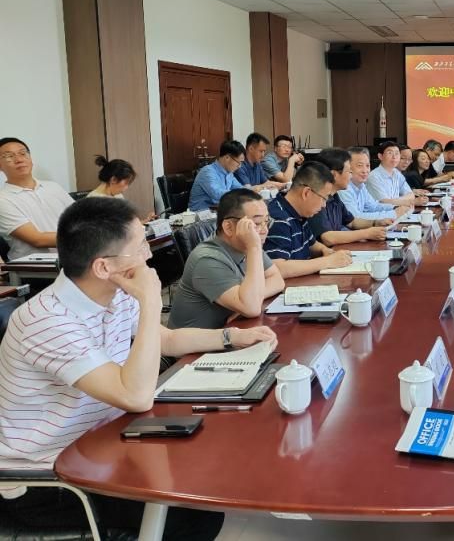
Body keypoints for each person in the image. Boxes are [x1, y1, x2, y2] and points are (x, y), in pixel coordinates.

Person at [0, 197, 277, 540]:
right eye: (140, 246)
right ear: (103, 267)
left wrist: (230, 337)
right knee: (192, 518)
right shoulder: (47, 321)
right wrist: (150, 301)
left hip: (104, 441)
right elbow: (135, 396)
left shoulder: (114, 293)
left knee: (205, 482)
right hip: (48, 477)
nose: (148, 255)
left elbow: (167, 339)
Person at [168, 189, 285, 330]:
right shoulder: (206, 260)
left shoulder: (247, 244)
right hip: (197, 343)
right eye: (257, 223)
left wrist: (253, 298)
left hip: (230, 333)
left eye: (266, 221)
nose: (265, 230)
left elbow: (277, 279)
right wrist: (248, 302)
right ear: (228, 227)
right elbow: (252, 308)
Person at [264, 161, 353, 278]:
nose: (324, 205)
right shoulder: (277, 218)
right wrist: (328, 261)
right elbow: (278, 268)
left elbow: (312, 244)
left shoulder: (299, 212)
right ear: (306, 193)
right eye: (324, 198)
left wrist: (325, 251)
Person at [0, 137, 73, 261]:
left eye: (23, 153)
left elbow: (80, 218)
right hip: (36, 267)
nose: (19, 160)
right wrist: (84, 237)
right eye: (9, 156)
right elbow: (37, 239)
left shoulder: (53, 187)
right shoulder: (3, 199)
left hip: (74, 258)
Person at [309, 149, 390, 247]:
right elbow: (328, 238)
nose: (351, 176)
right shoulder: (316, 198)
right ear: (334, 175)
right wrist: (367, 233)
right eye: (349, 172)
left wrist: (375, 223)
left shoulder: (335, 196)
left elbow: (352, 222)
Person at [339, 147, 411, 222]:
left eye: (367, 166)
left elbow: (374, 206)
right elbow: (355, 217)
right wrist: (393, 213)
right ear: (347, 167)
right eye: (360, 165)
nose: (365, 170)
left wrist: (395, 208)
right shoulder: (344, 189)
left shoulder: (361, 186)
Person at [88, 156, 155, 222]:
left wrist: (146, 220)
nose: (127, 187)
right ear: (113, 180)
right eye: (126, 183)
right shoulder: (93, 201)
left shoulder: (118, 196)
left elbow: (127, 224)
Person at [188, 139, 245, 211]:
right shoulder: (207, 172)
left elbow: (239, 188)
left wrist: (250, 191)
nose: (239, 166)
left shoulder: (229, 173)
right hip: (199, 214)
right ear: (227, 157)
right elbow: (217, 194)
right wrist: (240, 194)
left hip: (217, 211)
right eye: (238, 162)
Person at [366, 141, 425, 206]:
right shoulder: (373, 177)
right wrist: (410, 202)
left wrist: (394, 201)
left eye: (397, 153)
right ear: (380, 156)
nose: (394, 157)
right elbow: (384, 202)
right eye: (390, 153)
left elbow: (411, 195)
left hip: (399, 211)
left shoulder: (397, 173)